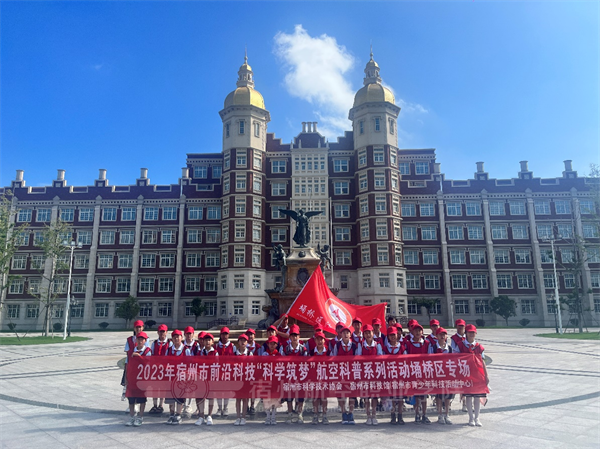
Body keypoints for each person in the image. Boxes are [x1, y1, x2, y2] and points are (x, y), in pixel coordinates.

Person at [458, 324, 489, 427]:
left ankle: (477, 417)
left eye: (473, 332)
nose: (471, 334)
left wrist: (486, 375)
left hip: (478, 375)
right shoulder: (461, 345)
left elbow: (483, 361)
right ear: (466, 333)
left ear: (476, 333)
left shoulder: (479, 347)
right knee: (468, 396)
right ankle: (471, 418)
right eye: (469, 332)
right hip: (466, 374)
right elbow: (455, 359)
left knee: (477, 397)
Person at [403, 323, 431, 424]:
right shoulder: (408, 344)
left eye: (419, 331)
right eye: (416, 331)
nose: (418, 332)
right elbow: (405, 358)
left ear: (422, 332)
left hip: (423, 372)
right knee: (416, 395)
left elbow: (430, 357)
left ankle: (424, 414)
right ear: (412, 332)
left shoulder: (426, 343)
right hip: (413, 372)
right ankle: (417, 414)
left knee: (424, 395)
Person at [280, 324, 307, 424]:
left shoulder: (303, 349)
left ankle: (299, 414)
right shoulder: (285, 349)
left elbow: (306, 362)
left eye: (296, 335)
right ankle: (290, 414)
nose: (294, 337)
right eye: (292, 335)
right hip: (289, 375)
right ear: (290, 337)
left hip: (300, 375)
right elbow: (282, 361)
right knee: (289, 396)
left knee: (300, 396)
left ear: (299, 337)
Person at [331, 326, 358, 425]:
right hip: (341, 373)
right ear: (341, 335)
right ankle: (343, 413)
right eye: (344, 333)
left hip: (352, 373)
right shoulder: (337, 345)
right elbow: (333, 357)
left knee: (352, 394)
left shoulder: (354, 346)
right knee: (341, 393)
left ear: (350, 335)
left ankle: (350, 413)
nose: (346, 334)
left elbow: (358, 359)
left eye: (347, 333)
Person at [357, 324, 383, 425]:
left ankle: (374, 415)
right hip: (365, 373)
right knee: (366, 396)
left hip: (375, 373)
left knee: (374, 395)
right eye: (366, 333)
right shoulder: (361, 345)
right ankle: (368, 415)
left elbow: (380, 358)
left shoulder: (377, 345)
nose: (368, 335)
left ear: (373, 333)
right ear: (363, 334)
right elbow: (358, 358)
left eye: (369, 332)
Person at [125, 331, 151, 427]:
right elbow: (127, 364)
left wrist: (139, 357)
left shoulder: (148, 351)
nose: (140, 341)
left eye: (142, 340)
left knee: (141, 399)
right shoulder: (131, 351)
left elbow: (149, 363)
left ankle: (140, 417)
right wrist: (126, 378)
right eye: (138, 339)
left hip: (142, 379)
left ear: (145, 341)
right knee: (131, 398)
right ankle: (132, 416)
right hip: (132, 378)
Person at [428, 327, 454, 425]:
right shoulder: (433, 348)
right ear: (436, 336)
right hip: (437, 375)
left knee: (448, 396)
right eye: (440, 334)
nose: (442, 336)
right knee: (439, 395)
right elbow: (429, 360)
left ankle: (447, 414)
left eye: (444, 334)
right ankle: (440, 414)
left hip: (447, 375)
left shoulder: (449, 348)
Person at [165, 330, 191, 425]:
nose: (176, 339)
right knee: (171, 396)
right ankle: (171, 414)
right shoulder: (169, 350)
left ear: (181, 338)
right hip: (171, 376)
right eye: (174, 337)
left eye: (178, 337)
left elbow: (189, 363)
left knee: (180, 397)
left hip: (182, 377)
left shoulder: (186, 350)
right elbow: (165, 362)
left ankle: (178, 415)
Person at [382, 327, 404, 425]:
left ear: (397, 335)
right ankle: (393, 415)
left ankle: (400, 415)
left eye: (394, 335)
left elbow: (407, 360)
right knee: (392, 397)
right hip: (390, 375)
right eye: (390, 335)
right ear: (388, 337)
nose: (393, 337)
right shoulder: (385, 348)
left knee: (400, 397)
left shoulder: (402, 347)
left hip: (400, 375)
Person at [148, 324, 171, 415]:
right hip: (156, 368)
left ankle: (161, 405)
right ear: (157, 332)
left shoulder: (169, 343)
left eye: (163, 332)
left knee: (162, 387)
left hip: (165, 368)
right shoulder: (154, 343)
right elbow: (151, 354)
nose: (162, 333)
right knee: (155, 387)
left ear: (166, 332)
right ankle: (154, 405)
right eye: (160, 332)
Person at [195, 333, 217, 426]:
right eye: (205, 340)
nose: (207, 342)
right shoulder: (200, 352)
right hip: (201, 378)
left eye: (209, 340)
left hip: (211, 378)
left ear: (212, 342)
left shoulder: (215, 353)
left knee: (211, 397)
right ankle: (201, 416)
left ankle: (209, 415)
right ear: (203, 342)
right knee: (200, 397)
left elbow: (217, 365)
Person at [309, 331, 329, 425]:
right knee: (315, 397)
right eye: (318, 339)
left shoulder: (328, 351)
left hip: (325, 377)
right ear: (315, 341)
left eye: (321, 339)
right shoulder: (311, 352)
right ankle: (315, 415)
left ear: (324, 340)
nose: (320, 341)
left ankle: (324, 415)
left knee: (324, 397)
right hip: (314, 377)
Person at [262, 335, 282, 425]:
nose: (272, 345)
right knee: (266, 399)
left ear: (276, 345)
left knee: (275, 398)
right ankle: (268, 416)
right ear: (268, 344)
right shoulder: (264, 354)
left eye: (274, 343)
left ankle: (273, 416)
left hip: (275, 380)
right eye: (270, 343)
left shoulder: (279, 355)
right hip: (266, 379)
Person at [233, 334, 252, 426]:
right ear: (238, 342)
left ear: (247, 342)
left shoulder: (249, 353)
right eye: (241, 340)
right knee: (238, 399)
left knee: (245, 398)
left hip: (246, 379)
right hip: (237, 379)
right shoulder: (234, 354)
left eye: (244, 340)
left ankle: (243, 417)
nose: (243, 342)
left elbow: (252, 366)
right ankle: (238, 417)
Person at [215, 326, 234, 417]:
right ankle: (219, 408)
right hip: (218, 371)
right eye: (223, 334)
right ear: (220, 335)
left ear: (228, 335)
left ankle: (225, 408)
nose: (224, 336)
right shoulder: (216, 346)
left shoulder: (232, 346)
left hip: (228, 371)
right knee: (219, 391)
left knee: (226, 391)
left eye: (226, 334)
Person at [182, 326, 200, 418]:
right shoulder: (182, 344)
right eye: (187, 334)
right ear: (184, 334)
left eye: (190, 334)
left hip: (193, 369)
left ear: (193, 334)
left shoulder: (196, 345)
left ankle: (189, 406)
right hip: (183, 368)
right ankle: (183, 405)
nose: (189, 335)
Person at [450, 319, 468, 412]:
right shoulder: (454, 338)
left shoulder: (468, 336)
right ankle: (449, 402)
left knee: (465, 384)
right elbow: (453, 351)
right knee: (455, 383)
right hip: (457, 363)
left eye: (462, 326)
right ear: (456, 326)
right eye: (459, 326)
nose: (461, 328)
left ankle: (465, 403)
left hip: (466, 364)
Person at [245, 328, 258, 415]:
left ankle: (252, 406)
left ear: (254, 336)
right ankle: (246, 406)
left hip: (255, 370)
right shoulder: (243, 346)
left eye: (251, 334)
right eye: (248, 334)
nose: (250, 336)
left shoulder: (258, 347)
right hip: (245, 371)